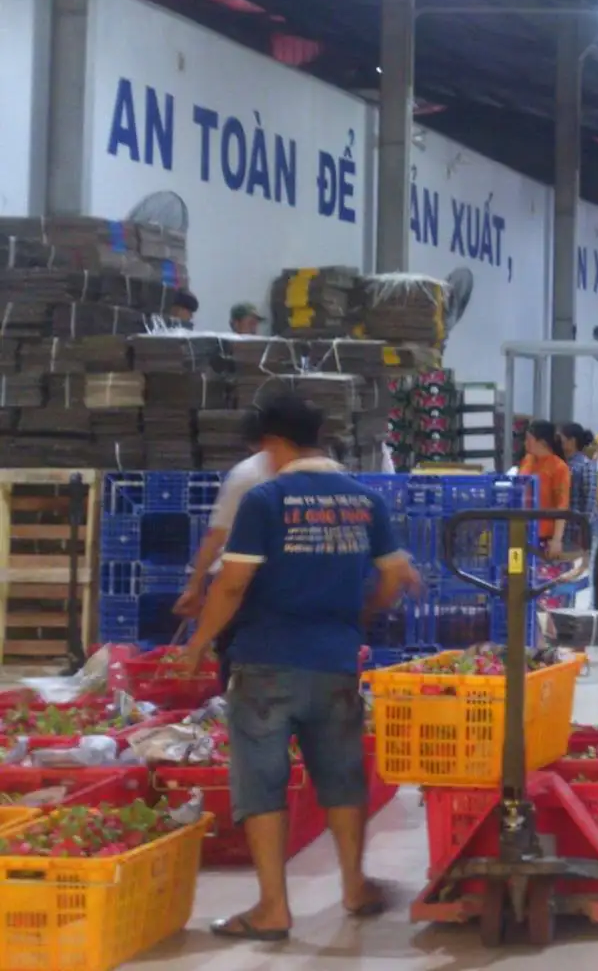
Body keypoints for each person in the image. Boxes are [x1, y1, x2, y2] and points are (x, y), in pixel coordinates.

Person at [176, 392, 416, 941]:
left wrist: (198, 643)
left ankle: (272, 909)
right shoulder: (365, 501)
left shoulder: (266, 499)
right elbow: (393, 578)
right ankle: (355, 886)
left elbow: (232, 584)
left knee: (262, 782)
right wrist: (357, 617)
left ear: (273, 443)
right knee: (342, 776)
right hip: (335, 661)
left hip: (265, 661)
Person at [174, 410, 272, 680]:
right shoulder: (325, 475)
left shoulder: (247, 474)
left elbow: (217, 535)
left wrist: (195, 586)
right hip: (288, 591)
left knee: (236, 660)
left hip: (244, 585)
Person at [518, 420, 573, 557]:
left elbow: (562, 505)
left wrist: (557, 540)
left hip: (544, 535)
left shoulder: (559, 467)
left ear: (542, 442)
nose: (525, 443)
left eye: (529, 439)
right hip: (521, 530)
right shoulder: (527, 460)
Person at [558, 422, 598, 557]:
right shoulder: (565, 464)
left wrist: (584, 529)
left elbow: (590, 500)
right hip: (570, 529)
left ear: (572, 441)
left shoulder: (585, 465)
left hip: (582, 531)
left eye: (562, 439)